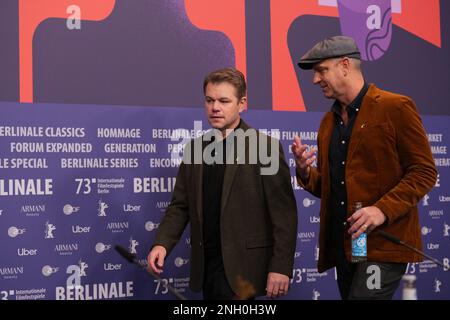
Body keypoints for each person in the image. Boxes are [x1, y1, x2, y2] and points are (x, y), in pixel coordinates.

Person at [292, 36, 437, 300]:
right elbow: (328, 186)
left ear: (345, 65)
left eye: (321, 70)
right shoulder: (328, 122)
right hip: (346, 247)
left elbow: (424, 171)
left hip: (384, 243)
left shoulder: (396, 107)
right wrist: (304, 172)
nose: (315, 80)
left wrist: (381, 209)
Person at [147, 68, 298, 300]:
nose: (215, 107)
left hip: (245, 270)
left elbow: (283, 214)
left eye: (224, 101)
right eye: (209, 100)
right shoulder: (195, 149)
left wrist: (281, 266)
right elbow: (180, 205)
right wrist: (162, 244)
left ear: (242, 103)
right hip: (206, 266)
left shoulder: (264, 147)